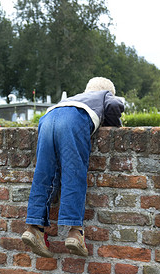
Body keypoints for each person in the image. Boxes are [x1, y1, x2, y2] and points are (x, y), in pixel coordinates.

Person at [22, 77, 124, 257]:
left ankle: (34, 228)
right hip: (73, 121)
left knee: (44, 174)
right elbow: (115, 106)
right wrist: (115, 125)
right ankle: (75, 232)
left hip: (47, 119)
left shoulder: (73, 97)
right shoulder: (105, 95)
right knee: (73, 174)